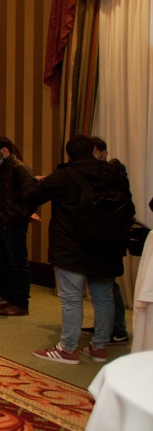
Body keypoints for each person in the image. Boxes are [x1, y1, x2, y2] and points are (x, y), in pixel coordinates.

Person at [24, 134, 135, 364]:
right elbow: (129, 207)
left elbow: (31, 196)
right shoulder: (114, 173)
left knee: (72, 299)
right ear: (94, 151)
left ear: (69, 154)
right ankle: (99, 347)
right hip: (107, 245)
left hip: (71, 245)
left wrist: (35, 181)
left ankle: (68, 349)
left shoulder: (64, 175)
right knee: (103, 298)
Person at [84, 136, 132, 344]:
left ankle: (118, 330)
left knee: (108, 286)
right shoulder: (99, 175)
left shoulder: (114, 174)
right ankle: (105, 325)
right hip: (101, 236)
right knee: (103, 286)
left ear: (103, 153)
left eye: (94, 153)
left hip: (109, 237)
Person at [0, 136, 36, 317]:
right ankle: (6, 297)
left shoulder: (18, 168)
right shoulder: (0, 169)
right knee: (3, 261)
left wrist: (19, 214)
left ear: (4, 151)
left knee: (17, 262)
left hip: (13, 222)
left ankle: (20, 302)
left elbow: (32, 194)